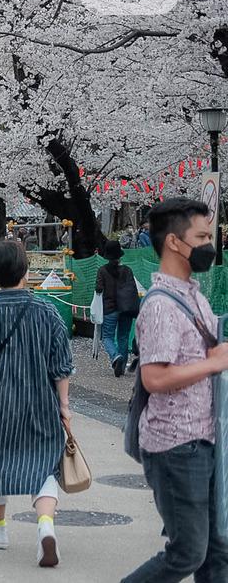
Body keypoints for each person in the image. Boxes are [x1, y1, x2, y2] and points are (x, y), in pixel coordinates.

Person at [122, 198, 228, 582]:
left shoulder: (193, 295)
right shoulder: (161, 306)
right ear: (173, 242)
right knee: (188, 552)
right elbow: (154, 378)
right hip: (176, 445)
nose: (208, 245)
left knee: (218, 552)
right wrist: (213, 363)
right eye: (201, 237)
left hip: (205, 439)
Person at [0, 240, 74, 567]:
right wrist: (64, 406)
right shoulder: (48, 312)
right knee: (45, 465)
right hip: (41, 405)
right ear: (25, 270)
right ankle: (46, 526)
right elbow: (61, 366)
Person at [95, 240, 138, 378]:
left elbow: (98, 289)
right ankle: (122, 366)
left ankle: (115, 357)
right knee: (123, 337)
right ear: (120, 255)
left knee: (107, 336)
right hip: (126, 309)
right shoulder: (127, 270)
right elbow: (133, 289)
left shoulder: (102, 271)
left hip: (109, 309)